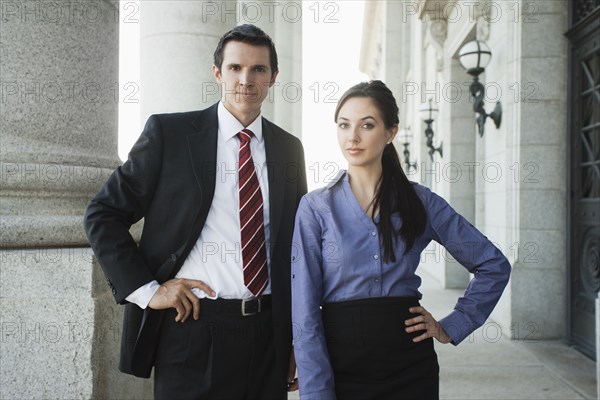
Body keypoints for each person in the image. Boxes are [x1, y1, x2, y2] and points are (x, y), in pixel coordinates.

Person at [84, 24, 306, 399]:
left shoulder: (289, 149)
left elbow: (295, 251)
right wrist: (148, 290)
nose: (246, 79)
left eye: (258, 69)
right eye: (235, 68)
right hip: (193, 330)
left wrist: (297, 340)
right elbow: (103, 213)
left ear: (273, 78)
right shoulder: (169, 134)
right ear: (217, 73)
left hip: (268, 333)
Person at [291, 80, 511, 400]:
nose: (352, 137)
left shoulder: (421, 202)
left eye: (367, 125)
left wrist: (453, 324)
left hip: (410, 367)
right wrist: (316, 392)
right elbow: (304, 310)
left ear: (391, 132)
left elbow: (493, 264)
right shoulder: (315, 208)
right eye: (344, 125)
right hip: (340, 365)